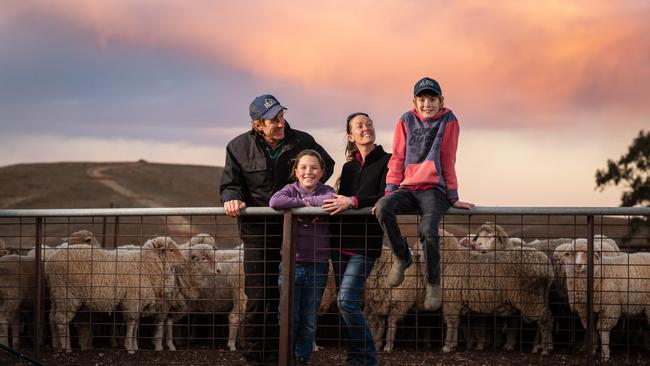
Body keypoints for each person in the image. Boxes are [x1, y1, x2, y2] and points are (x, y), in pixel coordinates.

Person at [220, 94, 335, 366]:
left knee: (290, 299)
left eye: (282, 116)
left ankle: (289, 357)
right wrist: (231, 198)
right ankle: (257, 358)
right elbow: (230, 183)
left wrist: (305, 191)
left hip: (298, 232)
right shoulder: (238, 147)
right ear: (258, 124)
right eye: (274, 120)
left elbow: (325, 166)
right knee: (260, 297)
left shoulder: (302, 140)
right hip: (259, 232)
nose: (281, 123)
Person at [374, 77, 474, 312]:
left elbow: (448, 157)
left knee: (428, 231)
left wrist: (452, 195)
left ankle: (432, 281)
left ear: (441, 101)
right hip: (408, 187)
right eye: (422, 99)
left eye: (432, 99)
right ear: (414, 102)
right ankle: (402, 256)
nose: (427, 104)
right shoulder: (405, 120)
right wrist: (389, 190)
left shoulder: (449, 120)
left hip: (434, 189)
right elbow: (398, 157)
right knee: (383, 208)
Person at [322, 112, 391, 366]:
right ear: (351, 136)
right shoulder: (348, 168)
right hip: (341, 243)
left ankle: (368, 359)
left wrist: (353, 201)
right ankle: (354, 358)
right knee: (346, 305)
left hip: (365, 244)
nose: (367, 128)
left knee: (346, 301)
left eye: (369, 123)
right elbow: (340, 202)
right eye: (360, 125)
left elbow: (386, 196)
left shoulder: (388, 161)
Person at [269, 149, 335, 365]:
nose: (309, 172)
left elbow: (329, 200)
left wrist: (304, 203)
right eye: (304, 167)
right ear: (296, 171)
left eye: (314, 167)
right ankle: (286, 357)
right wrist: (304, 205)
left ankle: (302, 358)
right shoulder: (289, 189)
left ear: (322, 172)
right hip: (291, 264)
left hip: (317, 266)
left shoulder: (327, 190)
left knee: (309, 319)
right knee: (289, 316)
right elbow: (275, 202)